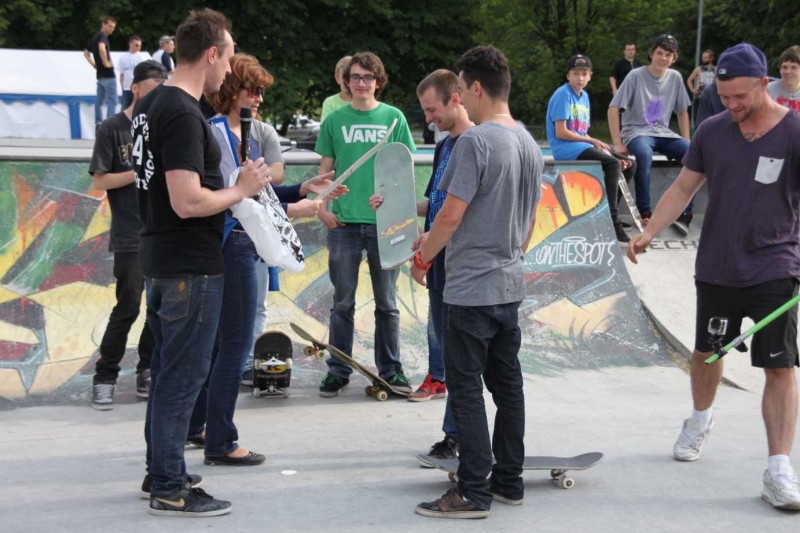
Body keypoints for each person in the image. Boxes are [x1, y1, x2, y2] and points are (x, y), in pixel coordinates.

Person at [627, 43, 800, 511]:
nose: (732, 105)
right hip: (718, 264)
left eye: (740, 96)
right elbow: (684, 186)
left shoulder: (794, 132)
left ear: (764, 83)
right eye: (724, 97)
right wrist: (649, 232)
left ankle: (779, 469)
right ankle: (700, 419)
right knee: (707, 352)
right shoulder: (712, 131)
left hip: (776, 263)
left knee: (779, 365)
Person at [133, 8, 268, 517]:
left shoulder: (151, 104)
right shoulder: (183, 112)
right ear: (211, 54)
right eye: (229, 56)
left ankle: (161, 470)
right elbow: (187, 200)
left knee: (169, 373)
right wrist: (240, 188)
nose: (230, 67)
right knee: (183, 378)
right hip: (189, 265)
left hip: (162, 259)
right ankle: (170, 486)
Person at [190, 53, 341, 465]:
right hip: (235, 243)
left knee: (223, 344)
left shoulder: (242, 133)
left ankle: (201, 425)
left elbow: (261, 194)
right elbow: (239, 202)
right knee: (235, 346)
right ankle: (220, 440)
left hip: (242, 243)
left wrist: (301, 188)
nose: (259, 97)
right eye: (252, 89)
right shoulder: (220, 134)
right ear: (231, 89)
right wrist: (297, 208)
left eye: (261, 91)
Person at [413, 45, 542, 519]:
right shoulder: (529, 143)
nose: (462, 98)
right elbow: (529, 222)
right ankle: (509, 481)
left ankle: (471, 491)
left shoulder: (476, 142)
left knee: (465, 389)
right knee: (508, 389)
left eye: (464, 89)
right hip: (509, 286)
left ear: (477, 88)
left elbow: (449, 215)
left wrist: (423, 258)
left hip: (470, 290)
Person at [314, 52, 416, 397]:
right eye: (355, 77)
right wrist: (322, 208)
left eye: (368, 77)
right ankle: (338, 369)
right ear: (346, 81)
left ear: (378, 81)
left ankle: (391, 369)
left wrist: (395, 204)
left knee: (387, 303)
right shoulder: (334, 120)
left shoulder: (394, 117)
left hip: (384, 225)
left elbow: (404, 169)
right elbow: (325, 172)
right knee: (342, 302)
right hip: (343, 222)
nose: (361, 83)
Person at [89, 60, 167, 410]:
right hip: (130, 235)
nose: (156, 98)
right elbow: (100, 179)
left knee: (160, 308)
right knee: (128, 305)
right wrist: (138, 171)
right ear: (135, 89)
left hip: (162, 232)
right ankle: (105, 376)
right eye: (151, 90)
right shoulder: (113, 128)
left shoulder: (163, 126)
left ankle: (147, 369)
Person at [546, 53, 636, 243]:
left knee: (629, 163)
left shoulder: (584, 97)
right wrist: (592, 140)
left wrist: (597, 143)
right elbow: (561, 132)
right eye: (575, 73)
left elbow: (581, 131)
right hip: (565, 148)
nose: (580, 78)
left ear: (590, 76)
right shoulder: (563, 95)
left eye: (584, 74)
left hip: (580, 145)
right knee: (613, 164)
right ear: (568, 76)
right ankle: (612, 221)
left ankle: (607, 213)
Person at [608, 34, 693, 234]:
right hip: (636, 131)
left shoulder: (675, 77)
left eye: (668, 55)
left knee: (693, 153)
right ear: (652, 54)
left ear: (674, 58)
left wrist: (687, 139)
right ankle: (644, 211)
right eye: (659, 53)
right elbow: (613, 108)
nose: (663, 58)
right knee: (644, 154)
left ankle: (685, 212)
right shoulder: (635, 75)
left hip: (664, 132)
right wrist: (617, 142)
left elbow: (682, 111)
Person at [84, 15, 118, 127]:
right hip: (108, 74)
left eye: (113, 27)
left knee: (99, 100)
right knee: (112, 100)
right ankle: (109, 124)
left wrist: (94, 64)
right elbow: (102, 48)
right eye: (110, 26)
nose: (112, 29)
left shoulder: (95, 37)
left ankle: (98, 122)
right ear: (103, 24)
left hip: (99, 75)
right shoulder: (102, 36)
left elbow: (86, 53)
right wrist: (105, 62)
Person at [320, 55, 352, 123]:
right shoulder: (330, 102)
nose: (348, 81)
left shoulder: (364, 101)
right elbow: (326, 127)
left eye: (351, 76)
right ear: (337, 79)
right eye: (344, 77)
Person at [767, 45, 800, 112]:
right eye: (784, 67)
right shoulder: (768, 90)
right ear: (780, 69)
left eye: (793, 67)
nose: (788, 71)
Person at [118, 35, 147, 109]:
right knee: (125, 109)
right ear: (130, 44)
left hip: (137, 88)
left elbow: (144, 74)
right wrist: (122, 87)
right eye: (136, 45)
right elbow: (122, 74)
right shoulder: (123, 57)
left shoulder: (142, 58)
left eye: (140, 46)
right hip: (127, 88)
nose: (139, 47)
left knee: (137, 108)